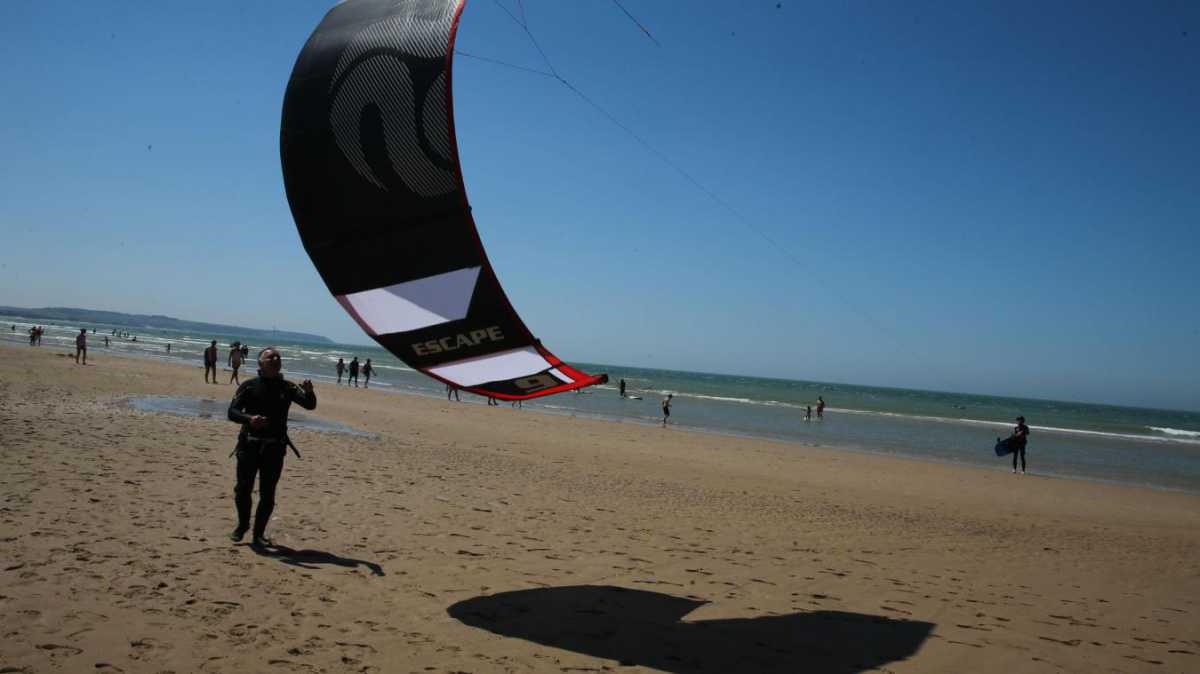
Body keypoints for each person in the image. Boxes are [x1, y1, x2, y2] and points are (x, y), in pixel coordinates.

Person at [226, 347, 317, 546]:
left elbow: (309, 405)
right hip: (249, 444)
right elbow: (232, 412)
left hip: (275, 448)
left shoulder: (288, 387)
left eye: (278, 357)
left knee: (268, 493)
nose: (275, 359)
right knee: (243, 489)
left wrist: (310, 393)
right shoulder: (249, 386)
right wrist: (249, 419)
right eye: (270, 357)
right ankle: (242, 526)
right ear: (260, 363)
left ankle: (258, 534)